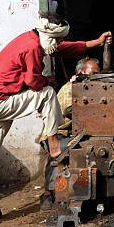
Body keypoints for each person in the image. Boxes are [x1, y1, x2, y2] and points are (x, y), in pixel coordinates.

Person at [0, 16, 112, 227]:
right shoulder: (31, 48)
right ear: (47, 35)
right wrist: (47, 80)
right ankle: (54, 143)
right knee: (46, 93)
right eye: (55, 40)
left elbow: (61, 48)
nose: (57, 44)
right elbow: (32, 81)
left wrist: (93, 43)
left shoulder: (34, 39)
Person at [39, 57, 100, 210]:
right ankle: (48, 193)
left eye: (97, 74)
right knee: (58, 156)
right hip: (57, 134)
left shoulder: (87, 88)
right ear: (81, 72)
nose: (95, 77)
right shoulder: (70, 88)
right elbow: (68, 109)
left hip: (72, 133)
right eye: (92, 73)